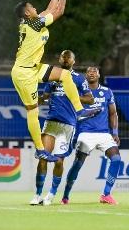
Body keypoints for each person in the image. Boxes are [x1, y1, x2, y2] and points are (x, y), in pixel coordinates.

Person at [11, 0, 99, 162]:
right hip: (24, 73)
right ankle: (40, 149)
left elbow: (50, 9)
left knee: (65, 75)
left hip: (33, 67)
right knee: (32, 110)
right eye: (32, 7)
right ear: (27, 13)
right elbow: (58, 12)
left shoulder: (33, 21)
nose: (36, 8)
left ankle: (79, 111)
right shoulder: (33, 23)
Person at [30, 50, 94, 206]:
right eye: (63, 58)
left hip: (68, 125)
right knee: (43, 157)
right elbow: (44, 97)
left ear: (73, 61)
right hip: (51, 122)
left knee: (59, 161)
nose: (65, 60)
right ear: (59, 59)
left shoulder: (79, 79)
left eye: (68, 58)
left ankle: (51, 195)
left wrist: (72, 95)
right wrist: (32, 101)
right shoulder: (52, 76)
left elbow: (90, 99)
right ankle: (38, 194)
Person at [61, 66, 122, 205]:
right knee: (77, 164)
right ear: (85, 76)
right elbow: (71, 113)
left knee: (116, 159)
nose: (92, 73)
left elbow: (113, 113)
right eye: (89, 72)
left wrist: (115, 133)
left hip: (104, 134)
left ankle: (106, 194)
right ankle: (65, 195)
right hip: (85, 133)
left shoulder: (107, 91)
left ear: (99, 75)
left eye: (94, 71)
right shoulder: (78, 93)